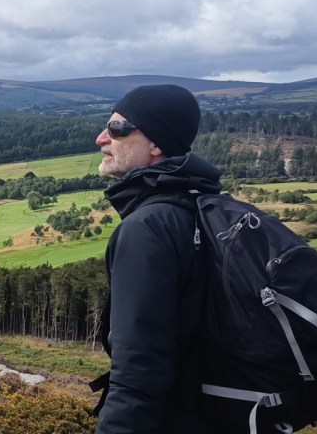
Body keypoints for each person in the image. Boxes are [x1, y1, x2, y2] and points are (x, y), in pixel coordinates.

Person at [93, 84, 224, 433]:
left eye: (119, 128)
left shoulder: (148, 227)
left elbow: (138, 371)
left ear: (156, 144)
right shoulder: (203, 206)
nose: (102, 138)